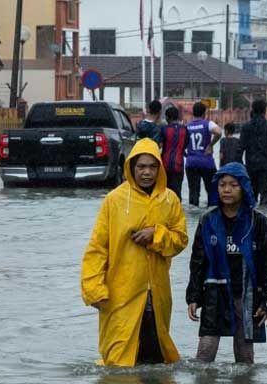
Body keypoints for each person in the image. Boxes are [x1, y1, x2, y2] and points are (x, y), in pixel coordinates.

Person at [80, 139, 189, 366]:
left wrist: (156, 235)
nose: (147, 172)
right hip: (120, 293)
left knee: (155, 357)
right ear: (131, 167)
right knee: (119, 360)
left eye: (152, 167)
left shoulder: (170, 200)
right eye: (141, 167)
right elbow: (97, 248)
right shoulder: (115, 200)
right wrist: (94, 289)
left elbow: (180, 240)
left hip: (157, 294)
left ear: (159, 168)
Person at [186, 162, 267, 364]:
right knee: (204, 354)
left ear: (244, 188)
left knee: (245, 359)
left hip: (248, 297)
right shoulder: (208, 221)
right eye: (222, 184)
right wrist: (194, 296)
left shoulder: (258, 222)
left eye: (234, 185)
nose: (227, 190)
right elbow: (198, 262)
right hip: (215, 294)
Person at [239, 99, 267, 206]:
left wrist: (241, 165)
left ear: (253, 109)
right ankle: (264, 217)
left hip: (251, 165)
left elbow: (240, 148)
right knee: (265, 196)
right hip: (266, 166)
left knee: (251, 195)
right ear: (265, 110)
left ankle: (253, 218)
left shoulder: (245, 127)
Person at [185, 102, 222, 207]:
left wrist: (185, 153)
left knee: (193, 192)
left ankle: (193, 216)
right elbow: (219, 132)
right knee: (212, 190)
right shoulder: (208, 124)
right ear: (204, 113)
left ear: (193, 113)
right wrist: (211, 144)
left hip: (191, 163)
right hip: (207, 162)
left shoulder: (186, 126)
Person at [161, 106, 187, 199]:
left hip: (165, 165)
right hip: (178, 165)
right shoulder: (184, 129)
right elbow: (185, 145)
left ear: (168, 117)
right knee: (177, 193)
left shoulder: (164, 129)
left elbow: (160, 145)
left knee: (165, 193)